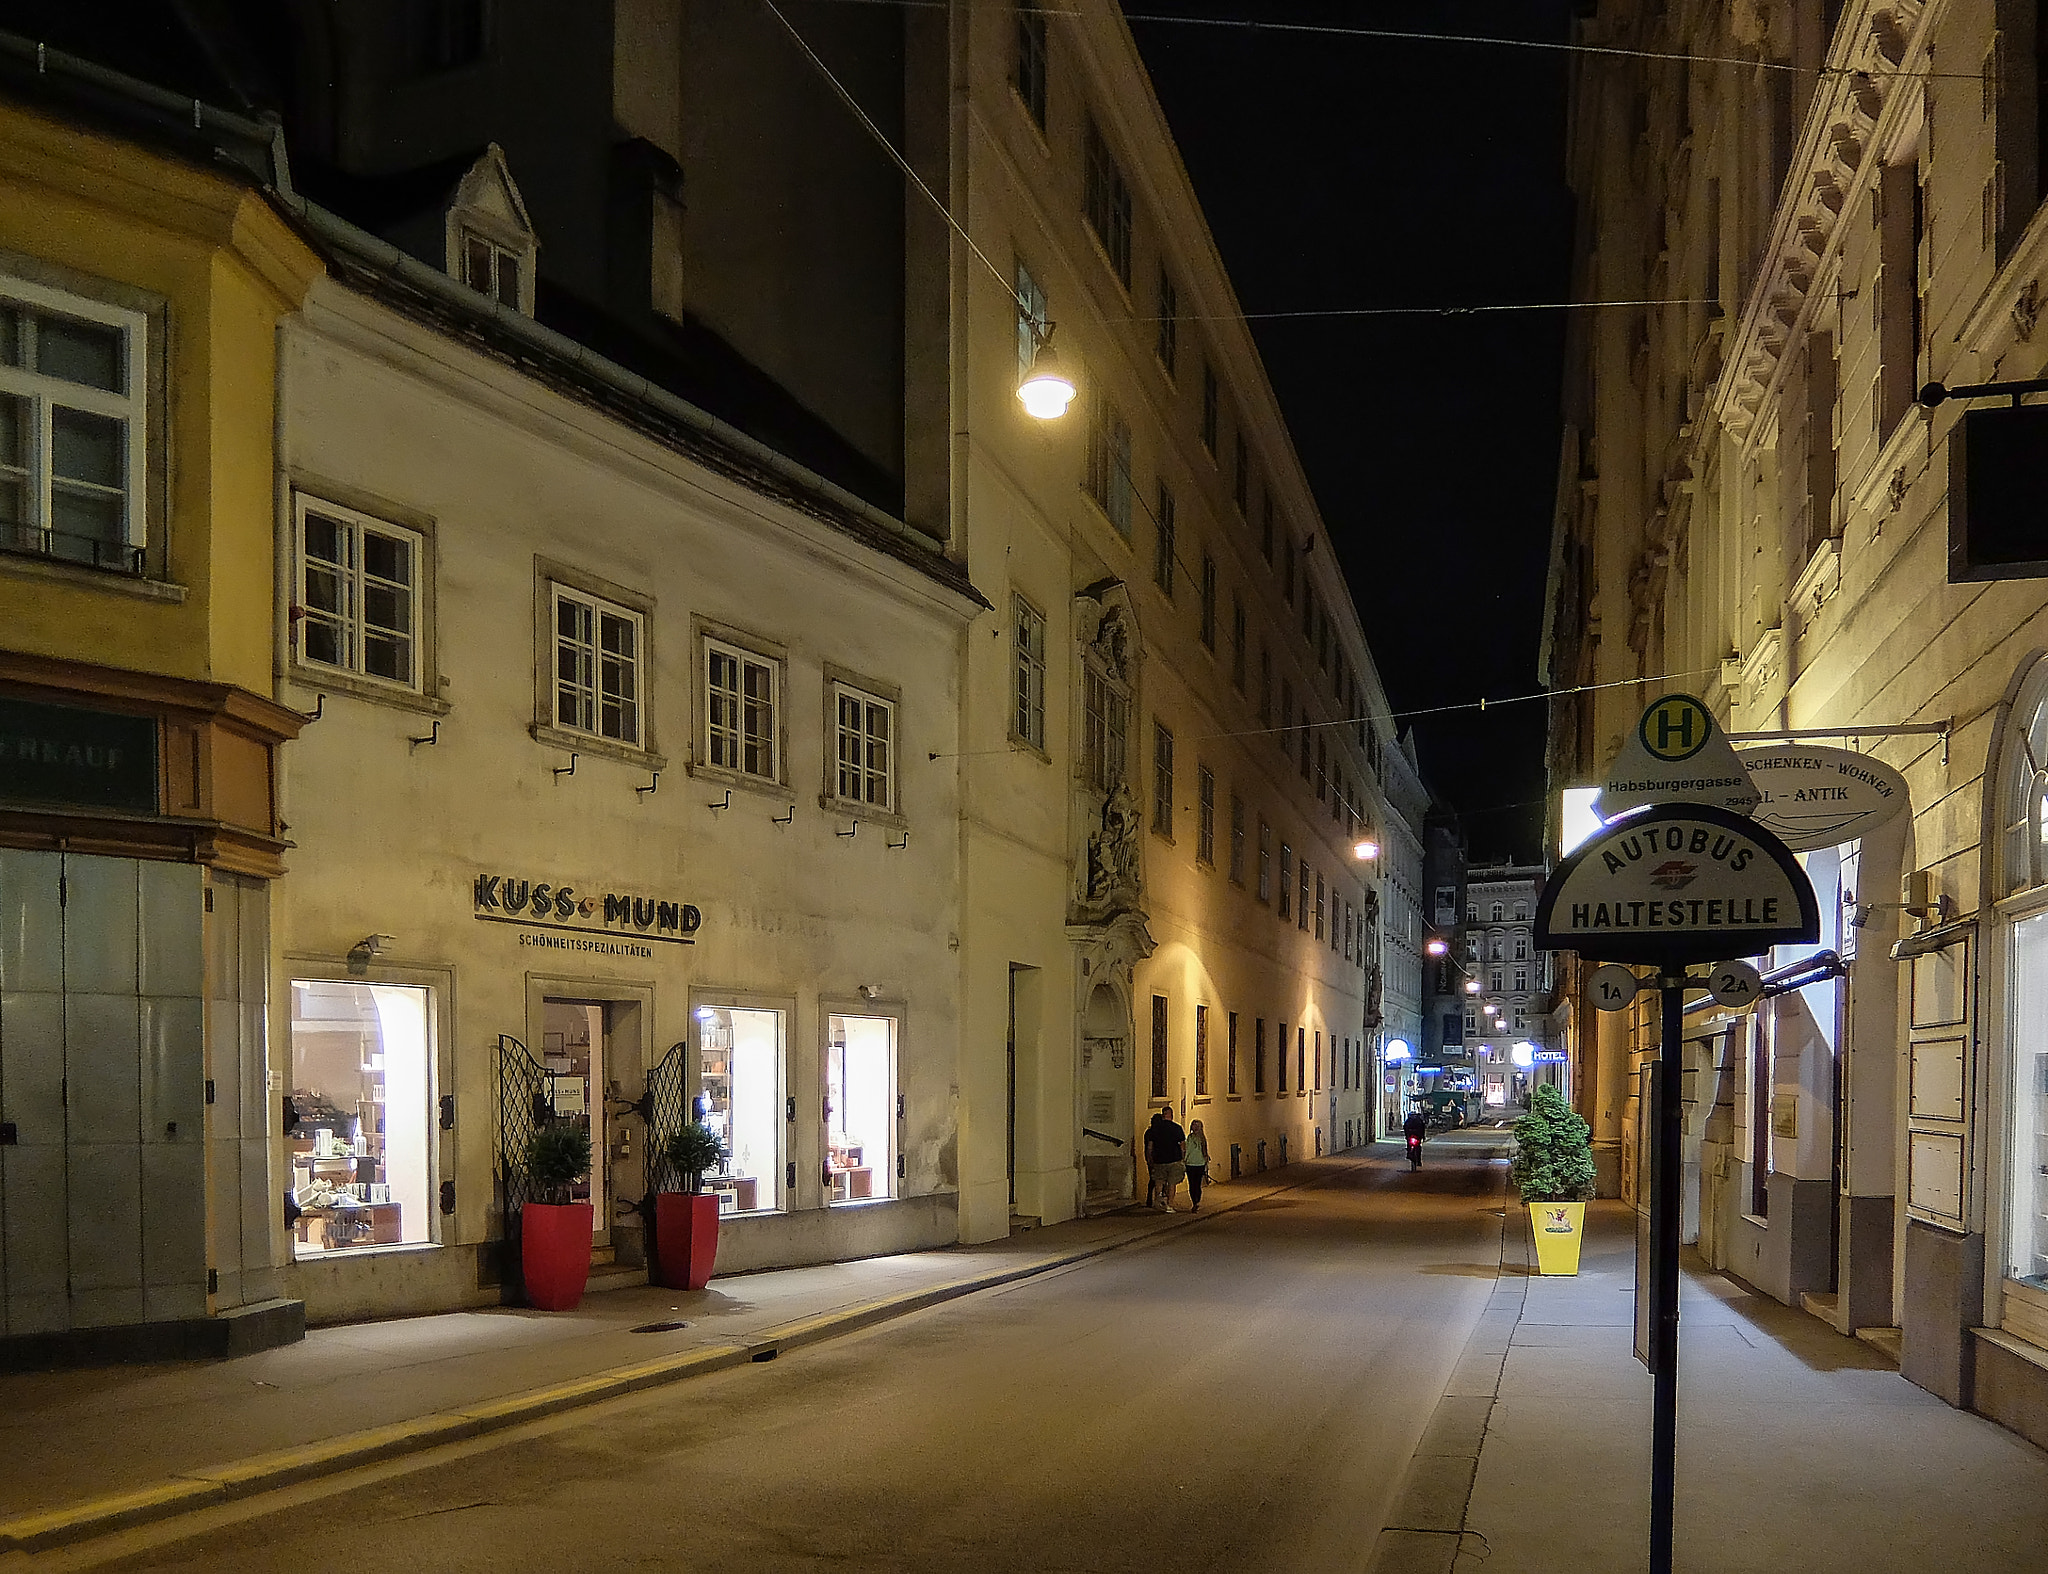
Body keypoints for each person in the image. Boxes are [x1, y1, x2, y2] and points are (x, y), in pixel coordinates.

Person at [1144, 1107, 1186, 1212]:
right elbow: (1182, 1146)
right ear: (1171, 1115)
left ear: (1163, 1115)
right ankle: (1169, 1204)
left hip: (1159, 1159)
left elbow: (1150, 1147)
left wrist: (1150, 1159)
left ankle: (1158, 1201)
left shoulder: (1155, 1129)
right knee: (1172, 1183)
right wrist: (1183, 1157)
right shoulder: (1177, 1128)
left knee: (1159, 1181)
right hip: (1174, 1159)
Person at [1183, 1118, 1211, 1209]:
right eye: (1193, 1125)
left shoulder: (1202, 1139)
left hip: (1199, 1163)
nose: (1195, 1128)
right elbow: (1186, 1150)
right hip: (1190, 1163)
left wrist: (1206, 1160)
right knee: (1191, 1184)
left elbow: (1204, 1151)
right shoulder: (1189, 1138)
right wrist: (1184, 1159)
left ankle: (1197, 1200)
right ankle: (1194, 1201)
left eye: (1197, 1126)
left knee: (1197, 1183)